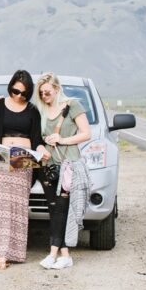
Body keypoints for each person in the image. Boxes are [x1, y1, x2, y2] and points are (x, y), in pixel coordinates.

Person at [0, 69, 49, 270]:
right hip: (0, 159)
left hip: (23, 161)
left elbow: (37, 139)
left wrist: (41, 150)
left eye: (24, 94)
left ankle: (9, 254)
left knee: (17, 207)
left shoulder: (32, 110)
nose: (18, 96)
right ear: (10, 87)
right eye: (16, 91)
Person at [32, 72, 91, 270]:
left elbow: (86, 133)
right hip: (47, 167)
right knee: (54, 209)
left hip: (68, 165)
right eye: (41, 93)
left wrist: (62, 140)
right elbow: (36, 137)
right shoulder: (40, 111)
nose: (44, 96)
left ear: (57, 89)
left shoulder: (72, 105)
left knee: (63, 208)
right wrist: (41, 146)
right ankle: (64, 255)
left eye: (47, 92)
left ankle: (52, 253)